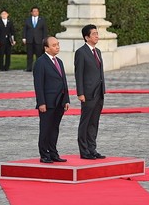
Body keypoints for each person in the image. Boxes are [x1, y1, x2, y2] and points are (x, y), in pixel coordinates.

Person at [33, 37, 70, 163]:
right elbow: (38, 84)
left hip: (59, 102)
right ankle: (44, 154)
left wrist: (66, 100)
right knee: (45, 129)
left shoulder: (59, 61)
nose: (57, 47)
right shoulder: (40, 62)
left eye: (58, 44)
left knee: (54, 129)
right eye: (54, 45)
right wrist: (41, 102)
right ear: (46, 48)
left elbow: (64, 82)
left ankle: (53, 153)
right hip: (47, 103)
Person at [74, 24, 106, 160]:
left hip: (99, 93)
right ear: (86, 37)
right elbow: (78, 74)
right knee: (85, 122)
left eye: (97, 33)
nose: (97, 36)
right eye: (94, 34)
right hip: (87, 94)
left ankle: (92, 149)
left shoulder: (97, 51)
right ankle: (84, 150)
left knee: (94, 122)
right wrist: (80, 93)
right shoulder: (81, 52)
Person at [22, 6, 47, 72]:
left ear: (38, 12)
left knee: (39, 55)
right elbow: (25, 29)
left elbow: (44, 31)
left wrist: (44, 39)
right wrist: (24, 38)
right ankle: (29, 68)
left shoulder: (42, 20)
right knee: (29, 55)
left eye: (36, 11)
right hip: (30, 40)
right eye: (34, 11)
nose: (35, 12)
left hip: (38, 40)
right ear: (31, 12)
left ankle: (38, 68)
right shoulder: (28, 20)